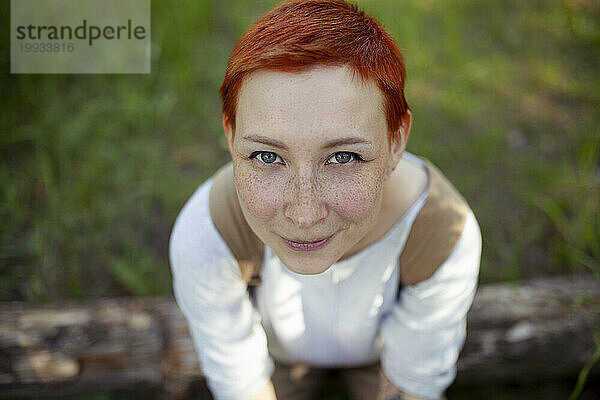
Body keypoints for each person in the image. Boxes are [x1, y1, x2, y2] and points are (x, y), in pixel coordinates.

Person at [169, 1, 481, 399]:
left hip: (381, 358)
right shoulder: (209, 235)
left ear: (396, 141)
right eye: (267, 156)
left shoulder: (441, 234)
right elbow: (241, 384)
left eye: (343, 157)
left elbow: (413, 385)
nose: (303, 214)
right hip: (273, 356)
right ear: (231, 136)